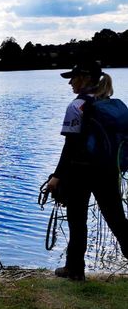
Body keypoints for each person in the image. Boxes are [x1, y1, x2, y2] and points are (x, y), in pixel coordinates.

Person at [47, 59, 128, 280]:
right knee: (117, 219)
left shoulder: (77, 106)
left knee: (77, 221)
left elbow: (70, 146)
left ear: (84, 78)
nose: (70, 83)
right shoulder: (108, 103)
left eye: (73, 78)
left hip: (80, 172)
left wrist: (56, 176)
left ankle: (74, 269)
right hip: (108, 170)